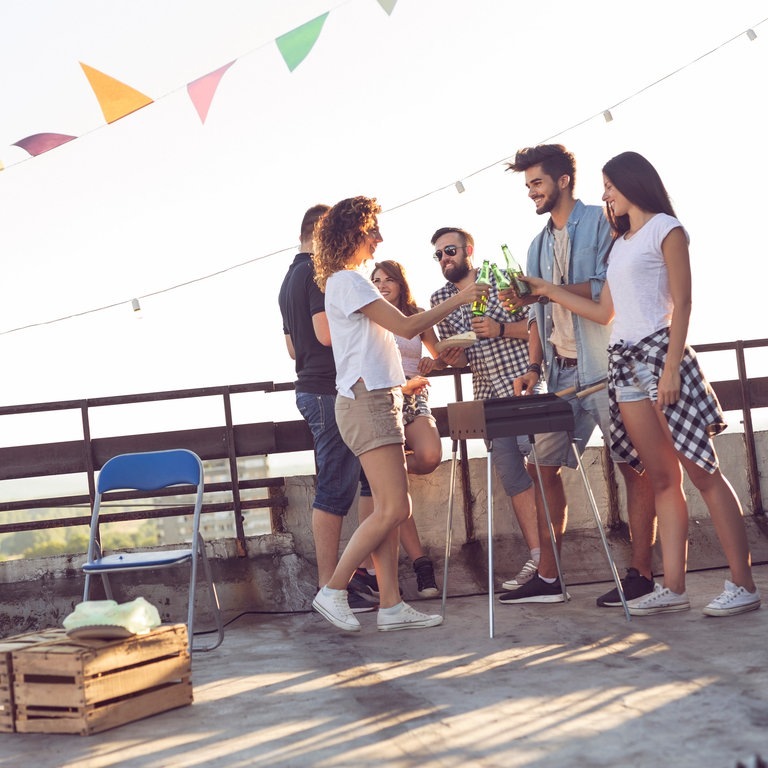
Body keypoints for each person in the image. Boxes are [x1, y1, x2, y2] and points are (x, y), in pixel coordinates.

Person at [521, 150, 760, 617]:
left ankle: (743, 584)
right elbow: (605, 312)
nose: (605, 194)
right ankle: (672, 588)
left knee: (704, 475)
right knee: (664, 480)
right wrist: (547, 291)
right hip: (624, 368)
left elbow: (685, 303)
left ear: (633, 183)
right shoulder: (621, 241)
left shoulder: (666, 229)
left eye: (610, 185)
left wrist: (671, 367)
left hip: (661, 360)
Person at [310, 196, 484, 632]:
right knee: (393, 508)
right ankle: (332, 589)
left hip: (378, 400)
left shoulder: (346, 282)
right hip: (367, 403)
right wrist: (464, 296)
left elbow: (401, 341)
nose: (379, 239)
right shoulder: (349, 281)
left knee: (389, 508)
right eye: (373, 231)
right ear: (354, 233)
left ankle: (390, 605)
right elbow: (406, 327)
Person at [497, 144, 657, 607]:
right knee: (539, 464)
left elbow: (608, 290)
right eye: (528, 185)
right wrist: (531, 366)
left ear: (564, 180)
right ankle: (548, 579)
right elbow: (535, 316)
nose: (531, 193)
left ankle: (642, 574)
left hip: (608, 367)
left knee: (634, 465)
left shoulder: (601, 223)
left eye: (537, 183)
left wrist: (546, 290)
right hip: (559, 371)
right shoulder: (536, 244)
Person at [429, 227, 541, 585]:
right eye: (438, 255)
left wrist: (499, 329)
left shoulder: (502, 279)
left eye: (449, 250)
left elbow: (539, 327)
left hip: (524, 387)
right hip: (487, 396)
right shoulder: (440, 299)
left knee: (542, 469)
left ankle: (551, 562)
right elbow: (460, 360)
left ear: (468, 250)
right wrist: (450, 357)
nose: (445, 259)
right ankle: (538, 559)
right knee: (512, 477)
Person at [277, 204, 375, 614]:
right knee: (335, 490)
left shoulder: (288, 278)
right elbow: (324, 334)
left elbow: (293, 348)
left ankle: (344, 581)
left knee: (347, 486)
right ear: (323, 231)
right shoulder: (320, 271)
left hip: (311, 388)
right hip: (328, 391)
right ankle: (329, 588)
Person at [371, 258, 446, 597]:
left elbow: (443, 352)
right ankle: (421, 564)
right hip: (385, 400)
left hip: (415, 398)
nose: (381, 285)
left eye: (387, 279)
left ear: (400, 283)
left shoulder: (415, 314)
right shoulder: (370, 316)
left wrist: (436, 360)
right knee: (395, 485)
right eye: (375, 280)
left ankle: (393, 473)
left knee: (430, 455)